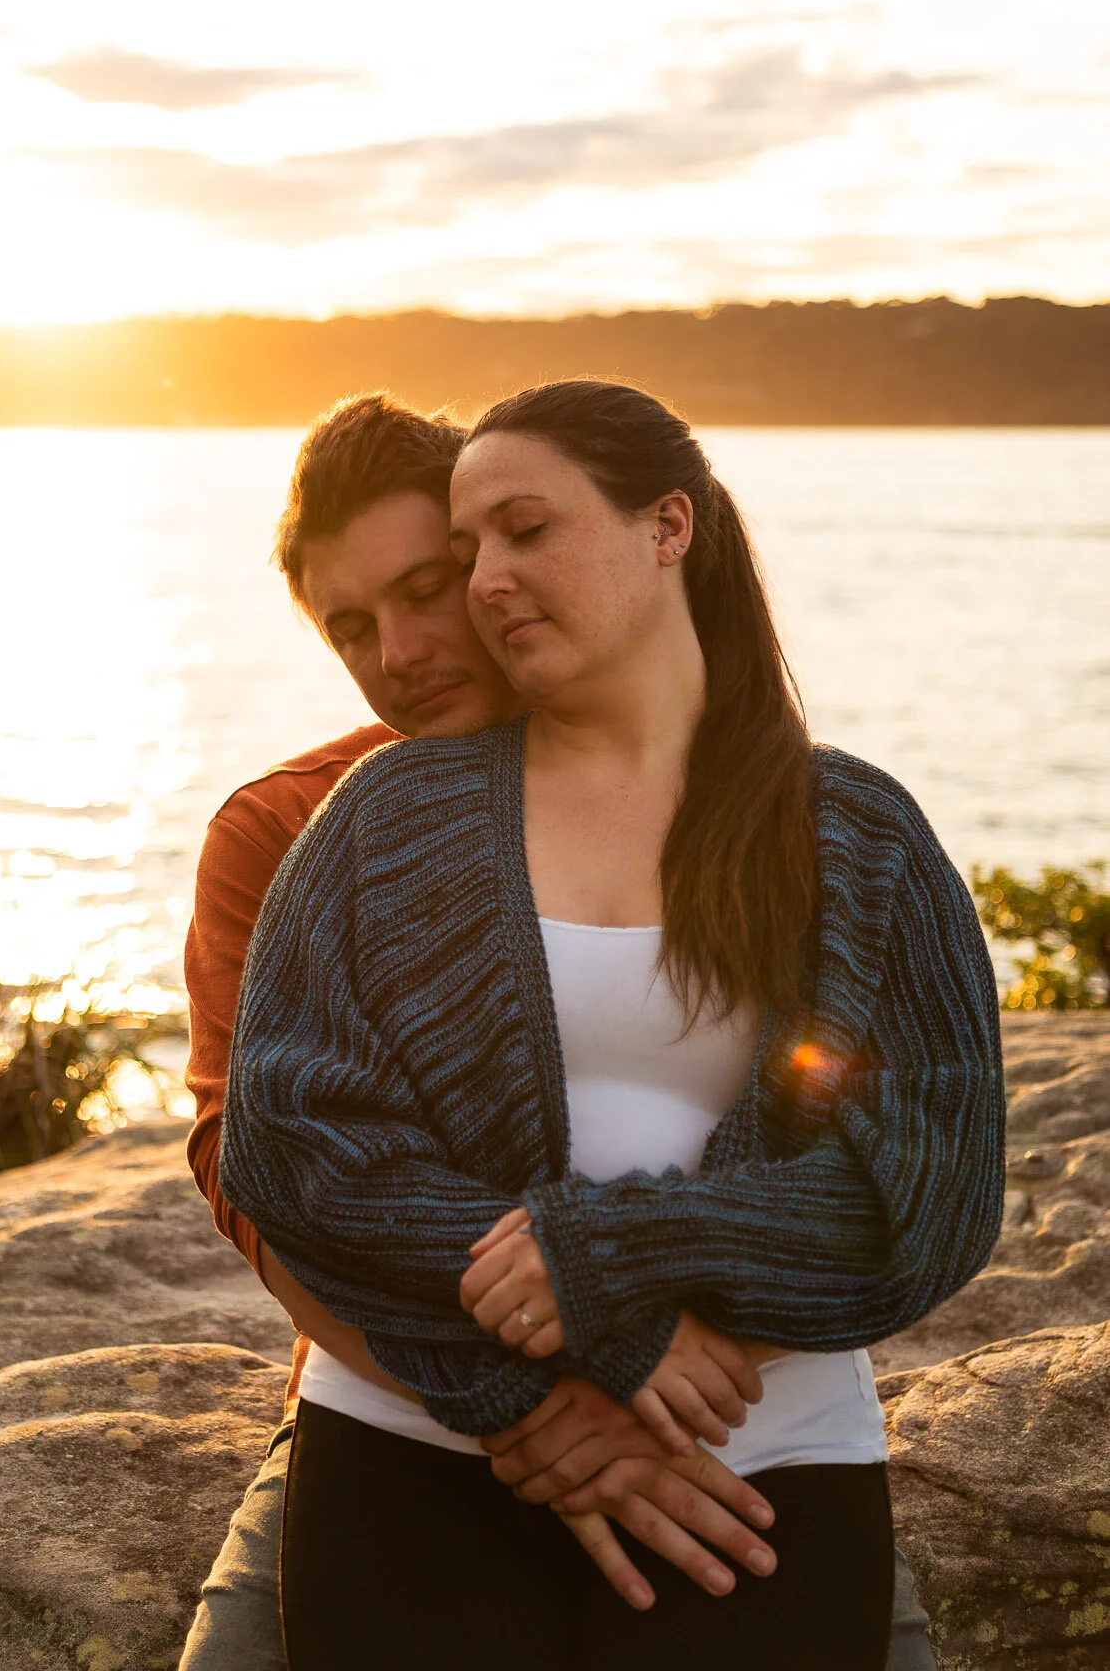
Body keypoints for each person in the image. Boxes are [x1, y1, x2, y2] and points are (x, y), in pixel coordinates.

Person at [218, 382, 1004, 1670]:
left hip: (755, 1455)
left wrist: (612, 1255)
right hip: (418, 1433)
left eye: (524, 533)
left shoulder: (855, 836)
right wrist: (562, 1371)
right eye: (470, 555)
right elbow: (293, 1150)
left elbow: (932, 1189)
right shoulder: (383, 814)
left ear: (669, 524)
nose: (484, 587)